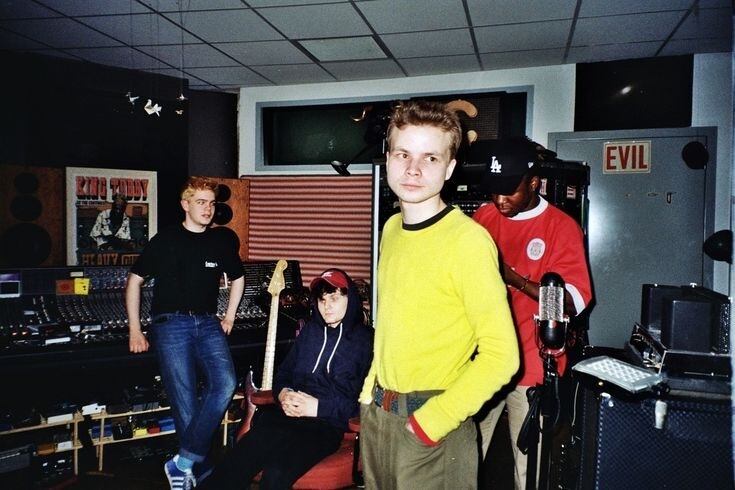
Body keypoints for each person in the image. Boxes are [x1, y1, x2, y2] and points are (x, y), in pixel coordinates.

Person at [358, 100, 519, 489]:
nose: (413, 169)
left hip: (433, 428)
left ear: (449, 168)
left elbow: (502, 356)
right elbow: (392, 325)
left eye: (430, 158)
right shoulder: (391, 229)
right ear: (388, 159)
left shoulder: (468, 242)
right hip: (379, 417)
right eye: (403, 154)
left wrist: (432, 422)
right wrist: (368, 397)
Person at [472, 140, 593, 490]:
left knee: (529, 467)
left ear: (534, 183)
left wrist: (515, 279)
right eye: (494, 191)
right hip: (483, 360)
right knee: (465, 456)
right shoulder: (484, 217)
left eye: (509, 191)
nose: (500, 200)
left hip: (532, 364)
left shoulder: (561, 227)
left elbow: (570, 302)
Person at [201, 268, 373, 490]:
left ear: (350, 300)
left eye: (334, 298)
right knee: (238, 459)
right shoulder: (310, 332)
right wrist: (283, 394)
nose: (327, 306)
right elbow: (283, 374)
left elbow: (365, 405)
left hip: (325, 425)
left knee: (277, 471)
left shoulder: (365, 342)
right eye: (322, 300)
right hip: (285, 416)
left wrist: (318, 407)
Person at [125, 176, 245, 490]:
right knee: (185, 401)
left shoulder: (219, 242)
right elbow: (134, 281)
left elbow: (238, 278)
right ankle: (197, 474)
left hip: (207, 322)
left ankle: (182, 463)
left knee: (226, 384)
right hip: (171, 325)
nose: (208, 209)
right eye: (201, 202)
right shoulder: (165, 240)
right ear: (185, 205)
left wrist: (230, 316)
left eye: (212, 203)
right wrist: (135, 329)